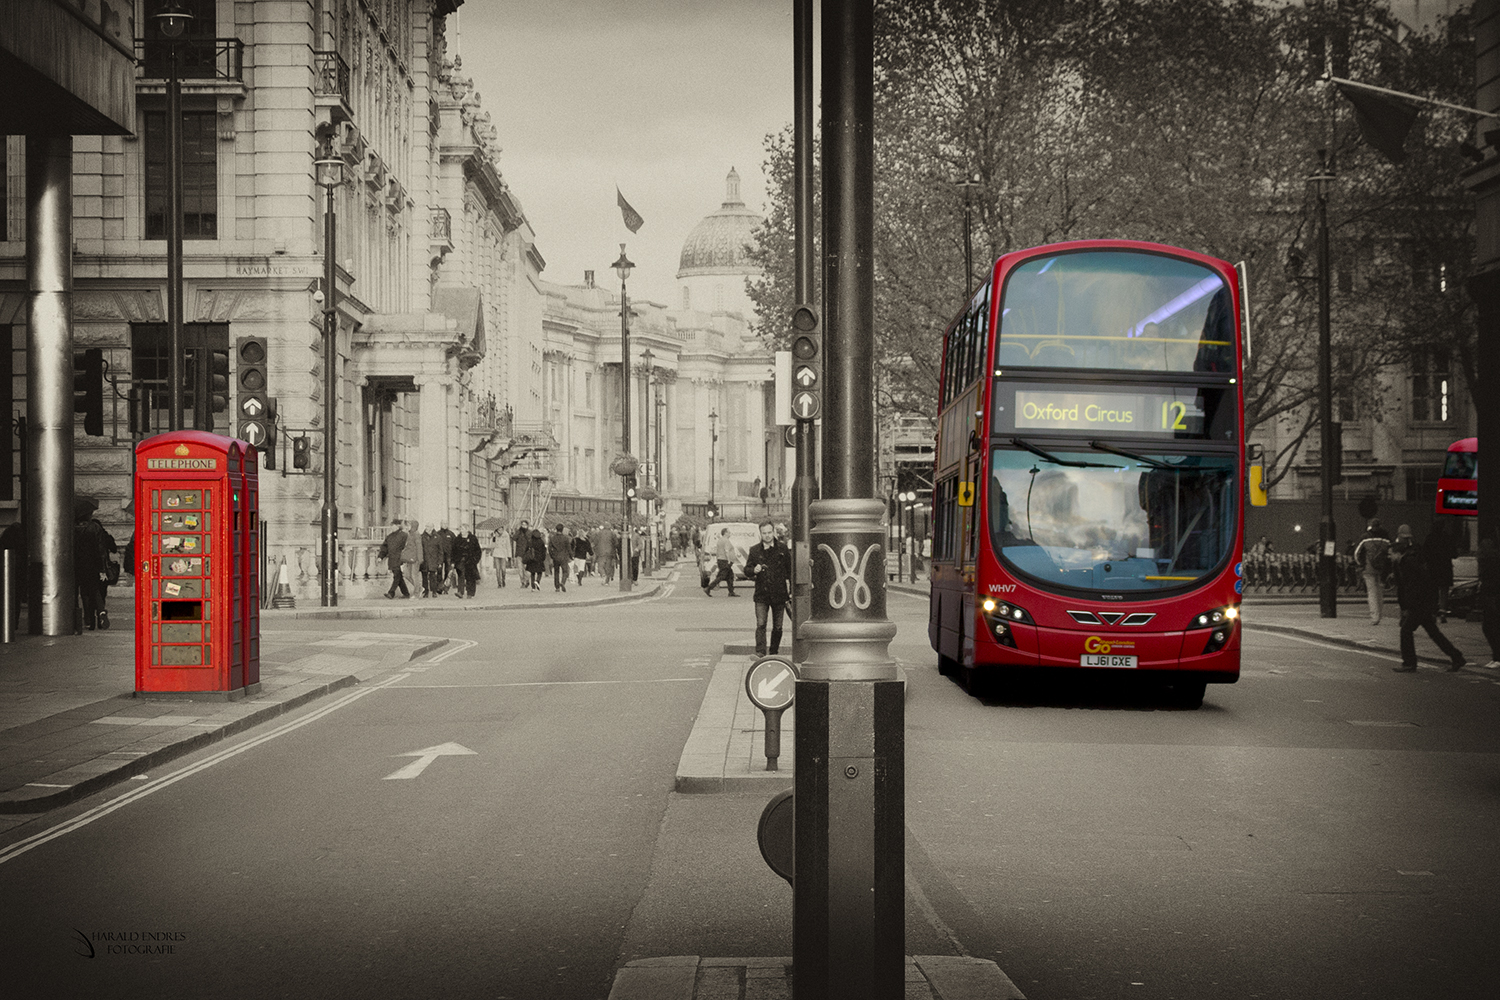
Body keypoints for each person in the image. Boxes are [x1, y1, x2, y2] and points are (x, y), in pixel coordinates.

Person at [1391, 523, 1465, 673]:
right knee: (1434, 633)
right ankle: (1457, 657)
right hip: (1423, 602)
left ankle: (1409, 663)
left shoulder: (1409, 561)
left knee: (1406, 631)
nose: (1389, 556)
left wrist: (1410, 607)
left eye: (1391, 554)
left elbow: (1415, 584)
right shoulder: (1412, 556)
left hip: (1419, 603)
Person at [744, 520, 791, 655]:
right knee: (761, 624)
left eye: (770, 532)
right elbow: (746, 570)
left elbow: (790, 570)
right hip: (762, 594)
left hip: (779, 593)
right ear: (760, 534)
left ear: (774, 532)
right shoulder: (754, 550)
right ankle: (760, 652)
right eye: (764, 533)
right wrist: (754, 570)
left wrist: (791, 591)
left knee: (778, 626)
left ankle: (773, 652)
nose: (767, 535)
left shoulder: (782, 549)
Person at [1352, 519, 1392, 625]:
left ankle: (1375, 616)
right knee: (1380, 592)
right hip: (1382, 569)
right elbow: (1390, 553)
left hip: (1368, 569)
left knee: (1372, 592)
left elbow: (1356, 553)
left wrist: (1361, 564)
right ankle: (1380, 614)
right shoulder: (1386, 538)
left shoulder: (1365, 537)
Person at [1425, 525, 1455, 622]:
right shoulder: (1448, 538)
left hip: (1433, 567)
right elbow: (1454, 553)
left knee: (1433, 590)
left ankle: (1433, 612)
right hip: (1445, 567)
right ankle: (1443, 612)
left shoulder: (1430, 538)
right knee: (1444, 590)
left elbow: (1425, 553)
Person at [1478, 535, 1500, 669]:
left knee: (1490, 627)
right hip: (1490, 597)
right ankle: (1496, 656)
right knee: (1490, 627)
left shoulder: (1490, 562)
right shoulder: (1491, 561)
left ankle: (1497, 657)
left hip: (1492, 597)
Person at [704, 527, 738, 597]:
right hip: (725, 560)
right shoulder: (726, 540)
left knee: (730, 576)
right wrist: (729, 560)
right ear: (725, 533)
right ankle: (708, 588)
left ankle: (731, 592)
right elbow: (726, 550)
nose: (730, 534)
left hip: (721, 560)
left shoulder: (720, 540)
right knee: (721, 576)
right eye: (729, 532)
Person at [382, 521, 410, 599]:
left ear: (398, 526)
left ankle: (391, 593)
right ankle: (406, 593)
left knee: (397, 576)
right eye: (391, 526)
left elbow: (407, 547)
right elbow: (384, 547)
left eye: (393, 526)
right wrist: (380, 556)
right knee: (399, 577)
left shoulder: (404, 535)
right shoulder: (389, 536)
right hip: (392, 559)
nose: (392, 527)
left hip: (400, 559)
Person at [548, 523, 572, 592]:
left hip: (555, 557)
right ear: (562, 529)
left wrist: (552, 555)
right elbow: (568, 548)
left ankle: (557, 587)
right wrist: (571, 555)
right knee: (565, 571)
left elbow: (549, 548)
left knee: (556, 572)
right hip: (564, 557)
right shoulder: (565, 538)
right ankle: (563, 582)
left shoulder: (553, 538)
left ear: (556, 529)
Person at [458, 529, 481, 598]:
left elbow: (478, 550)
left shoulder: (473, 538)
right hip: (461, 560)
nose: (462, 531)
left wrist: (475, 560)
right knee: (461, 575)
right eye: (461, 530)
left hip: (470, 561)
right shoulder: (458, 538)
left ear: (467, 530)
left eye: (463, 530)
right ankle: (460, 592)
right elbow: (454, 549)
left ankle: (470, 593)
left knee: (470, 577)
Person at [402, 520, 423, 595]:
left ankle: (416, 593)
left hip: (415, 558)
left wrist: (419, 559)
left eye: (409, 525)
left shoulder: (416, 535)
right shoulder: (410, 534)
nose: (407, 527)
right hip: (410, 558)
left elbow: (419, 547)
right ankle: (420, 588)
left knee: (414, 575)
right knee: (407, 575)